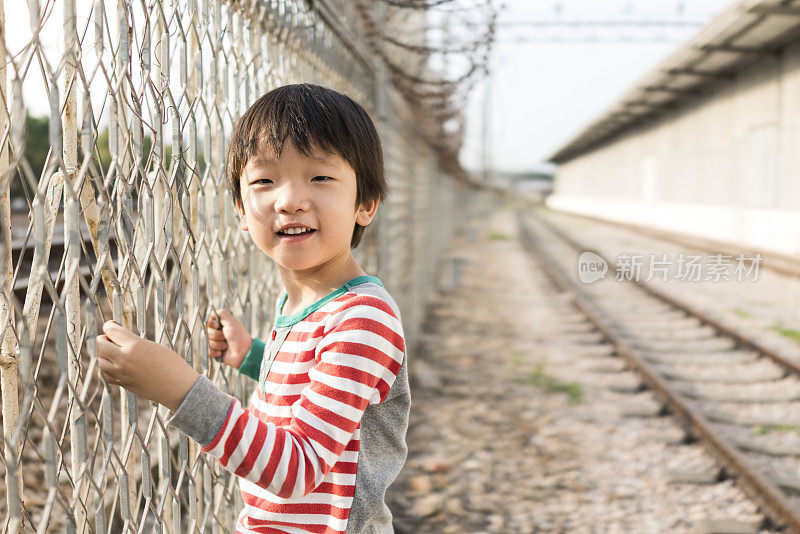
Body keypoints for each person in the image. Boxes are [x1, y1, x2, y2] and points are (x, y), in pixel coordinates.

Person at [96, 83, 411, 534]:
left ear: (365, 203)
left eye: (319, 177)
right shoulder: (308, 303)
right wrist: (254, 358)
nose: (289, 200)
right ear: (242, 210)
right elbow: (319, 389)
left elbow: (297, 469)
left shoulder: (364, 318)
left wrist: (179, 390)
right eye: (264, 181)